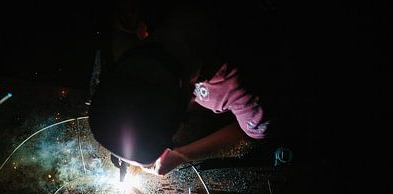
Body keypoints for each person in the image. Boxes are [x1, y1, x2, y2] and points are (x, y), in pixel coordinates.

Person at [89, 1, 275, 176]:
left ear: (189, 97)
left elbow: (252, 136)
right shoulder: (136, 11)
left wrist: (181, 155)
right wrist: (123, 143)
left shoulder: (238, 88)